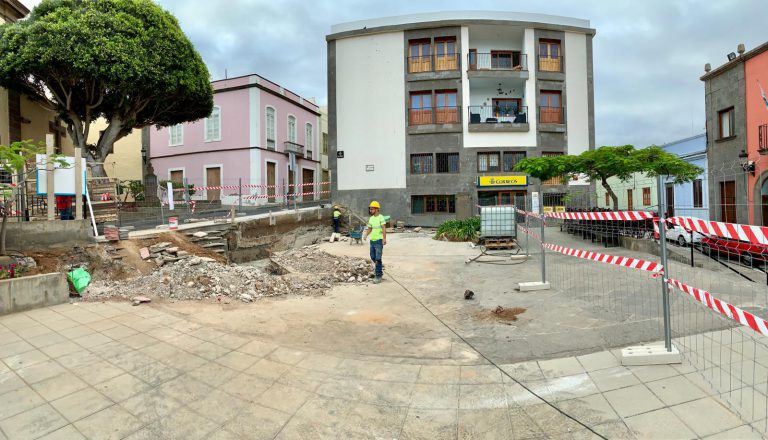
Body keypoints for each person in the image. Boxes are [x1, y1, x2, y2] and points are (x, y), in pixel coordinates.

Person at [363, 200, 386, 284]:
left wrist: (384, 238)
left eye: (372, 209)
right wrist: (366, 235)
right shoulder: (371, 218)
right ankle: (379, 269)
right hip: (372, 241)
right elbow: (370, 228)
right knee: (373, 257)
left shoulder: (381, 217)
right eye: (370, 209)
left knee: (378, 259)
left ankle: (378, 276)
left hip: (379, 241)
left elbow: (383, 228)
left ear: (377, 209)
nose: (370, 210)